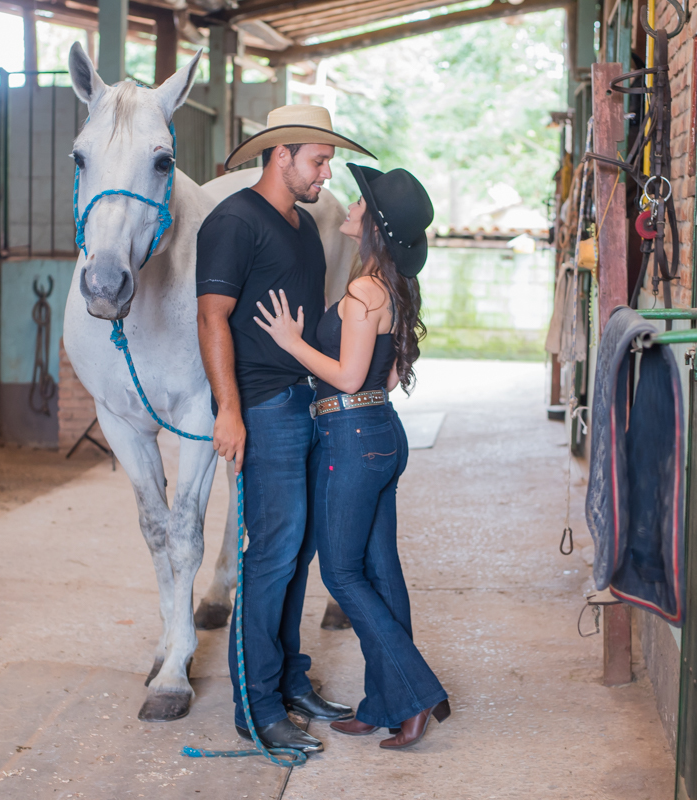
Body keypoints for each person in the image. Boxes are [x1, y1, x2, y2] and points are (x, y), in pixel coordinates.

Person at [195, 105, 375, 755]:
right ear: (282, 157)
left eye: (327, 162)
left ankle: (288, 680)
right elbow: (212, 319)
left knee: (297, 553)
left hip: (304, 401)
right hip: (263, 407)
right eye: (318, 161)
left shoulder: (301, 227)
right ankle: (256, 705)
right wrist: (228, 409)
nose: (327, 172)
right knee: (270, 555)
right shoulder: (234, 222)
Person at [253, 164, 450, 750]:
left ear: (373, 226)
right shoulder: (386, 287)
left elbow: (347, 374)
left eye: (361, 203)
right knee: (379, 570)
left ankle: (417, 691)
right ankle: (389, 704)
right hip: (378, 433)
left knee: (341, 571)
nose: (351, 206)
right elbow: (385, 380)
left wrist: (293, 343)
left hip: (352, 439)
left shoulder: (365, 291)